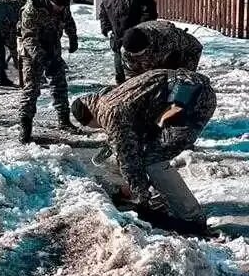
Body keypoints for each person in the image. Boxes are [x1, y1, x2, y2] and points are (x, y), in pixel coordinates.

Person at [71, 69, 217, 225]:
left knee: (153, 160)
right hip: (189, 86)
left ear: (91, 118)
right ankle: (158, 193)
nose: (100, 128)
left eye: (96, 126)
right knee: (145, 147)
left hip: (192, 99)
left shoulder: (110, 114)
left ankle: (192, 218)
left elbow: (129, 162)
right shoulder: (107, 97)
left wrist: (142, 199)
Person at [18, 0, 79, 143]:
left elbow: (68, 20)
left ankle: (64, 121)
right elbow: (29, 37)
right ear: (50, 1)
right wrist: (41, 58)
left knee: (60, 83)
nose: (61, 9)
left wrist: (73, 37)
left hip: (52, 46)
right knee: (31, 88)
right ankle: (25, 127)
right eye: (57, 6)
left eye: (63, 6)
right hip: (32, 51)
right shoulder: (32, 9)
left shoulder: (62, 2)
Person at [99, 0, 158, 85]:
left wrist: (134, 34)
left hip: (136, 43)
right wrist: (107, 29)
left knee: (140, 78)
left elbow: (149, 14)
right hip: (117, 41)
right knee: (120, 78)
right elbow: (103, 12)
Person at [120, 20, 202, 78]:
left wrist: (173, 75)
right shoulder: (126, 50)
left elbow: (193, 48)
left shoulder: (167, 36)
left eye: (140, 53)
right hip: (161, 53)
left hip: (187, 50)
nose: (138, 57)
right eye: (135, 55)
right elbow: (131, 73)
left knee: (179, 82)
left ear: (147, 45)